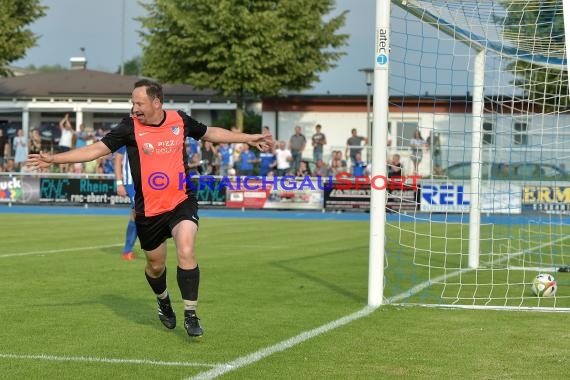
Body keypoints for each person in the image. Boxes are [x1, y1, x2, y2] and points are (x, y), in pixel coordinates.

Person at [27, 79, 272, 338]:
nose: (134, 108)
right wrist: (53, 159)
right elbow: (95, 150)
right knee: (155, 266)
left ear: (156, 102)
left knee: (186, 248)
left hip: (181, 200)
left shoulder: (179, 119)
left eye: (139, 103)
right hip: (148, 209)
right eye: (133, 103)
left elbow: (211, 132)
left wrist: (248, 137)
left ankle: (191, 313)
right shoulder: (128, 127)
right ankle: (163, 300)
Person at [115, 145, 137, 261]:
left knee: (136, 215)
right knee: (138, 212)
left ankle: (128, 250)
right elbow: (118, 159)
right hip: (131, 182)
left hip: (150, 181)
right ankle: (127, 250)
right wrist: (119, 183)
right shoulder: (126, 134)